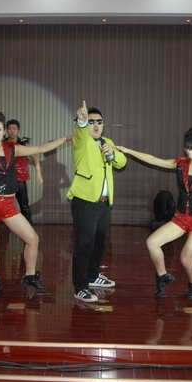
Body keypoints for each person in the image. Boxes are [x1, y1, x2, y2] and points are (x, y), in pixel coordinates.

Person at [0, 112, 70, 297]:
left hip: (8, 204)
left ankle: (30, 275)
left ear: (4, 131)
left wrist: (65, 139)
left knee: (33, 239)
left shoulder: (13, 149)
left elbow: (40, 148)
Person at [117, 128, 192, 300]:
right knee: (152, 242)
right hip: (181, 217)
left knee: (185, 258)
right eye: (191, 149)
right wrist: (128, 151)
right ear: (186, 150)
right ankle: (162, 275)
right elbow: (153, 160)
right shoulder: (180, 165)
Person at [67, 101, 127, 303]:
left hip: (103, 201)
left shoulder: (107, 141)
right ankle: (80, 287)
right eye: (91, 122)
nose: (96, 125)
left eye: (99, 122)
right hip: (85, 201)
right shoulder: (81, 141)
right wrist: (81, 122)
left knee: (100, 242)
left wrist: (113, 153)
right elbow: (79, 133)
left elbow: (122, 162)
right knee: (84, 245)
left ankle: (93, 276)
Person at [6, 119, 43, 224]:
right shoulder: (2, 144)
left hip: (20, 180)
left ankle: (28, 227)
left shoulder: (23, 144)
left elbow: (35, 158)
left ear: (19, 130)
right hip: (5, 179)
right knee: (1, 205)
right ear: (6, 130)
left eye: (14, 129)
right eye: (10, 129)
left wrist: (38, 174)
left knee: (24, 205)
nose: (12, 131)